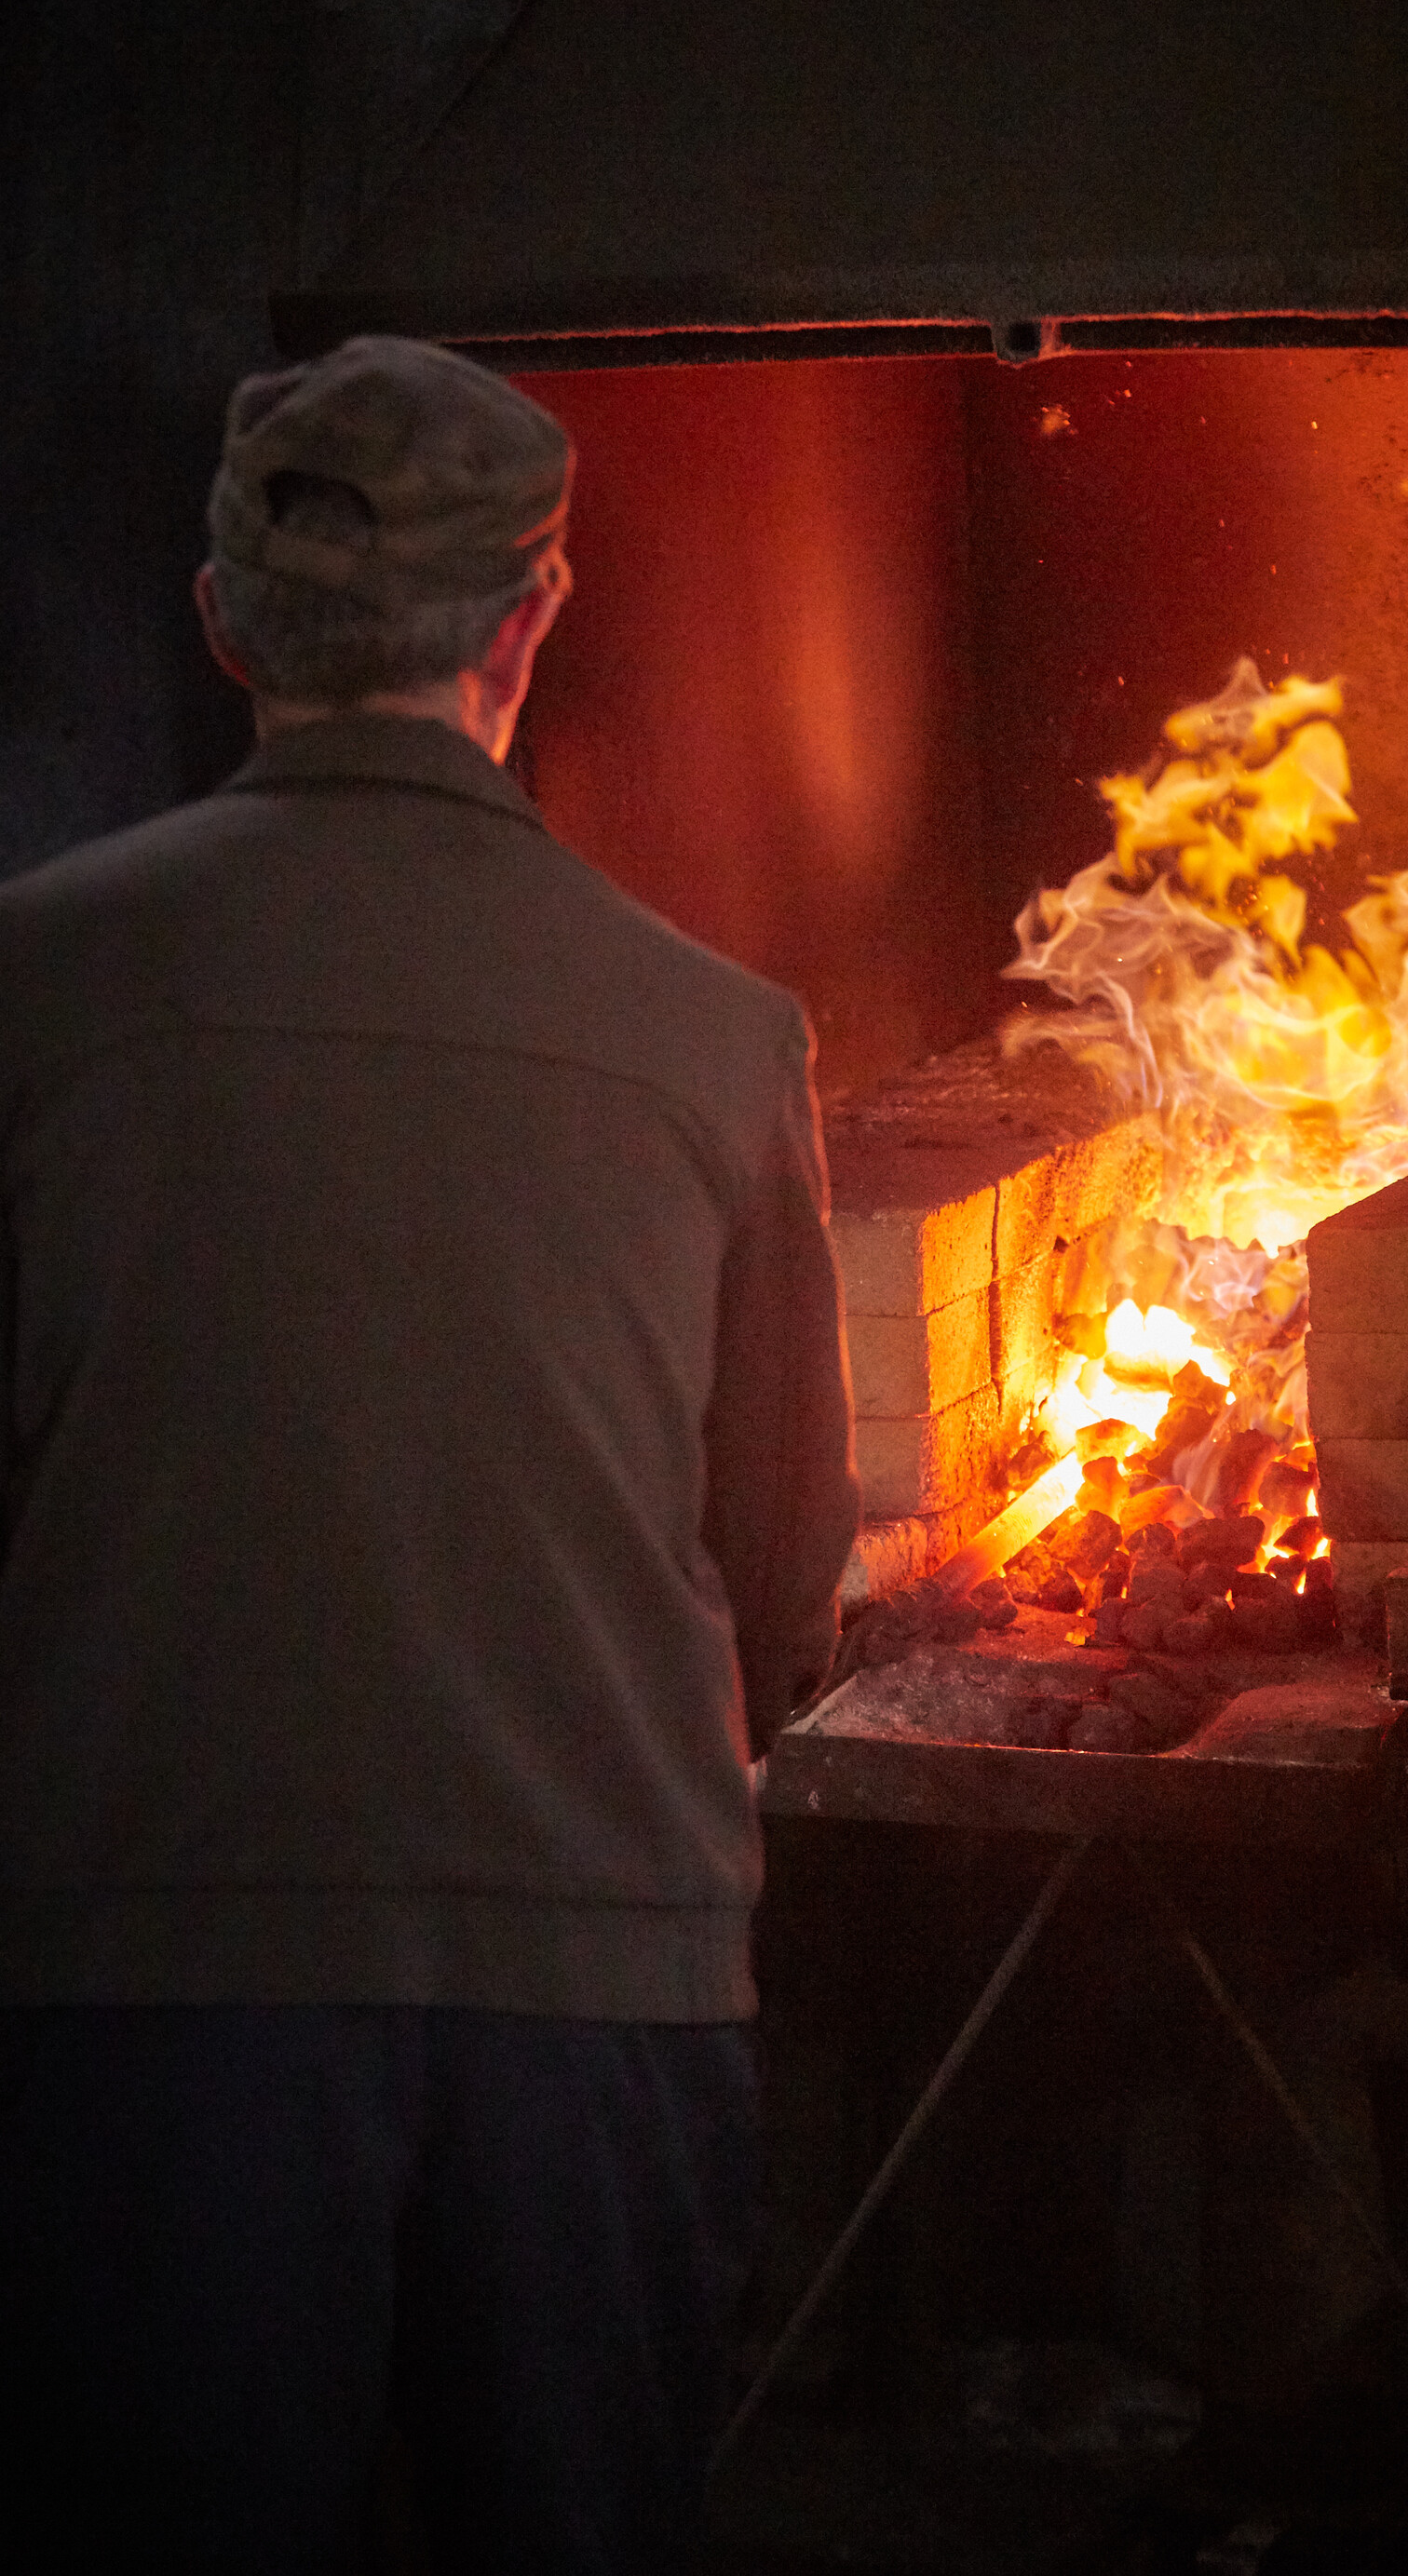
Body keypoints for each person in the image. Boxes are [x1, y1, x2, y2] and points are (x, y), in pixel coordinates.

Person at [0, 336, 859, 2570]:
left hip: (139, 1980)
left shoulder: (30, 984)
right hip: (596, 1988)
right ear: (530, 619)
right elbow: (781, 1560)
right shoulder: (720, 1029)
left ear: (224, 625)